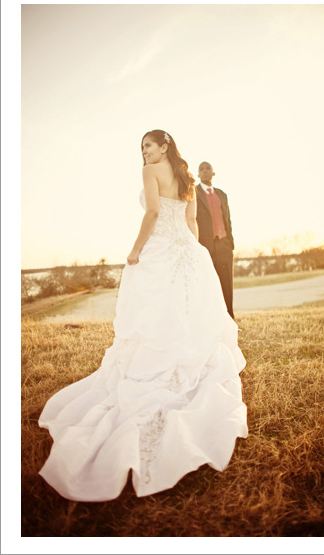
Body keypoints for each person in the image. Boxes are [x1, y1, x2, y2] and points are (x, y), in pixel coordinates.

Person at [37, 130, 248, 502]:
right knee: (182, 312)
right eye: (142, 148)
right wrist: (193, 250)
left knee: (157, 313)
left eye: (149, 145)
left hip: (163, 249)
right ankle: (184, 361)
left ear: (163, 146)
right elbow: (192, 222)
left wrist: (135, 251)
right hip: (187, 250)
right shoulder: (185, 176)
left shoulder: (152, 171)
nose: (144, 152)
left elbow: (153, 212)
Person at [195, 162, 235, 318]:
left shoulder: (222, 194)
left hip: (224, 246)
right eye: (201, 170)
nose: (205, 172)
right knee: (208, 285)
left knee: (227, 284)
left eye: (208, 169)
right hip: (205, 247)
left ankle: (230, 319)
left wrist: (230, 243)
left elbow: (228, 220)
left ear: (213, 173)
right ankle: (211, 320)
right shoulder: (194, 193)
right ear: (198, 175)